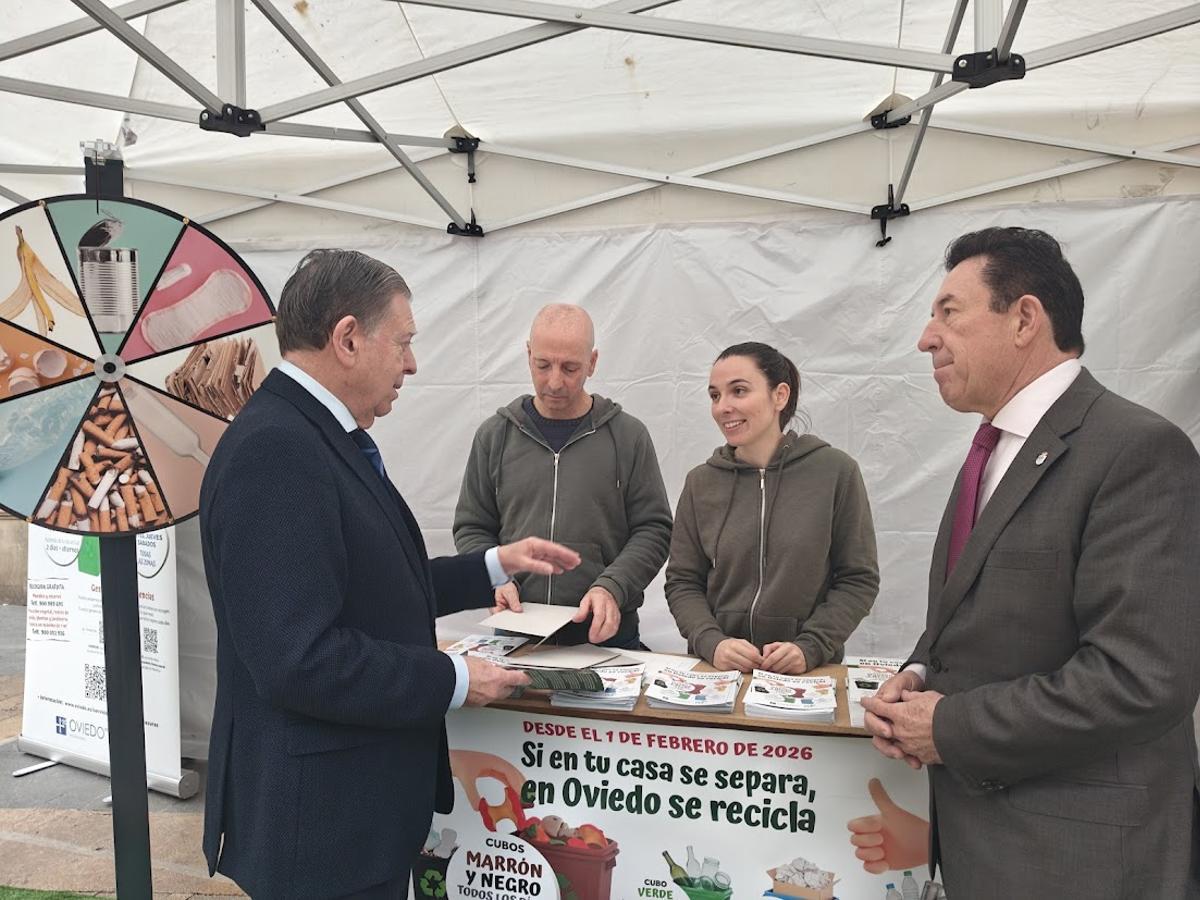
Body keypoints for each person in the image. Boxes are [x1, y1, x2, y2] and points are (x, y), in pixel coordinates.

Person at [199, 250, 580, 899]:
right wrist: (455, 677)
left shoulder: (312, 435)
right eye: (403, 342)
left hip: (347, 818)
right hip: (320, 830)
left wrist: (491, 565)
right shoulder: (278, 451)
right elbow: (299, 659)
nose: (412, 363)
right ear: (348, 338)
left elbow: (365, 590)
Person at [861, 227, 1200, 899]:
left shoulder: (1136, 452)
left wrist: (948, 726)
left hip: (1082, 861)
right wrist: (919, 673)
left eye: (948, 312)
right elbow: (984, 618)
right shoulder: (993, 452)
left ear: (1023, 319)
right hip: (989, 849)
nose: (926, 338)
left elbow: (1142, 677)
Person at [454, 303, 672, 648]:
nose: (555, 382)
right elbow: (472, 526)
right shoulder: (494, 436)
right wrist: (497, 578)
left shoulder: (628, 437)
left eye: (570, 368)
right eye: (543, 365)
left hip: (608, 637)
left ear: (593, 362)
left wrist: (611, 586)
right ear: (528, 354)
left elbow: (654, 529)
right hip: (516, 634)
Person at [665, 342, 879, 674]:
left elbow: (857, 578)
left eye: (738, 391)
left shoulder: (835, 472)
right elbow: (682, 581)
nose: (723, 406)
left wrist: (810, 647)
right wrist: (712, 642)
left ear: (779, 395)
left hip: (807, 673)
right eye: (715, 395)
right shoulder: (701, 483)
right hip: (718, 671)